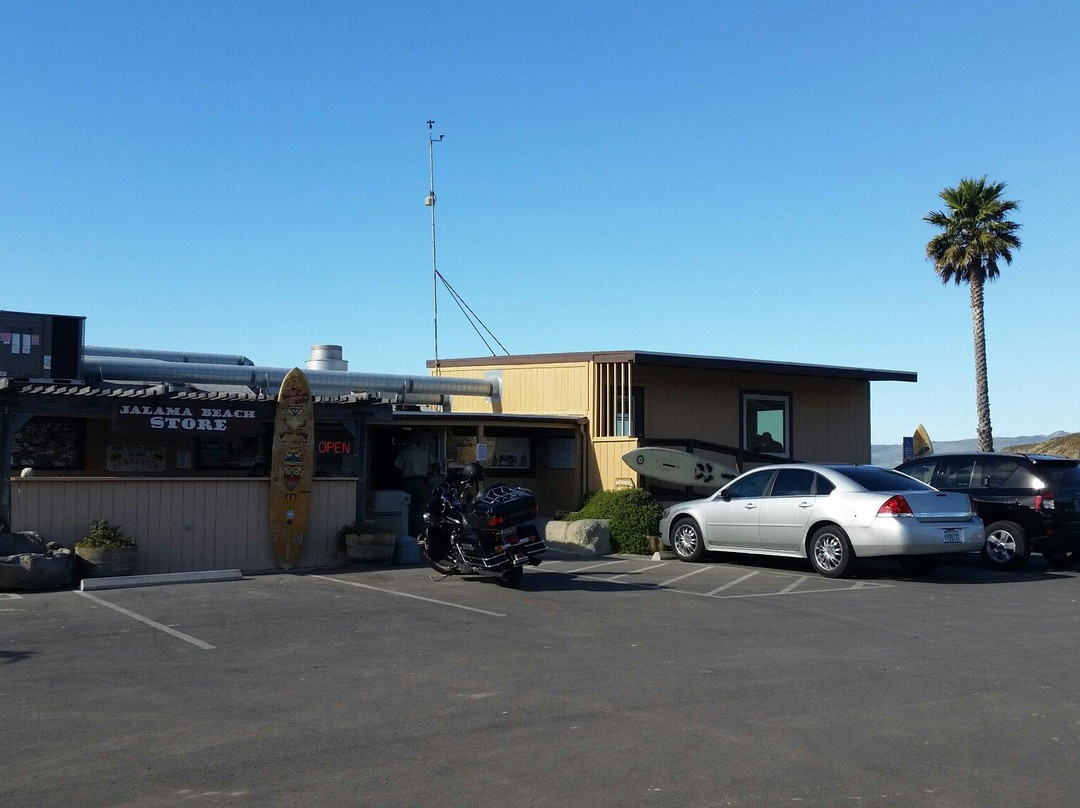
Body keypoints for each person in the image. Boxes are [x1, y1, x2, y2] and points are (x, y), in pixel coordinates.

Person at [395, 434, 438, 535]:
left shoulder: (405, 452)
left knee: (407, 505)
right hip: (421, 481)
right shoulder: (424, 452)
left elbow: (397, 468)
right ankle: (421, 529)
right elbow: (435, 464)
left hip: (408, 481)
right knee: (422, 506)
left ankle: (408, 529)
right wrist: (432, 474)